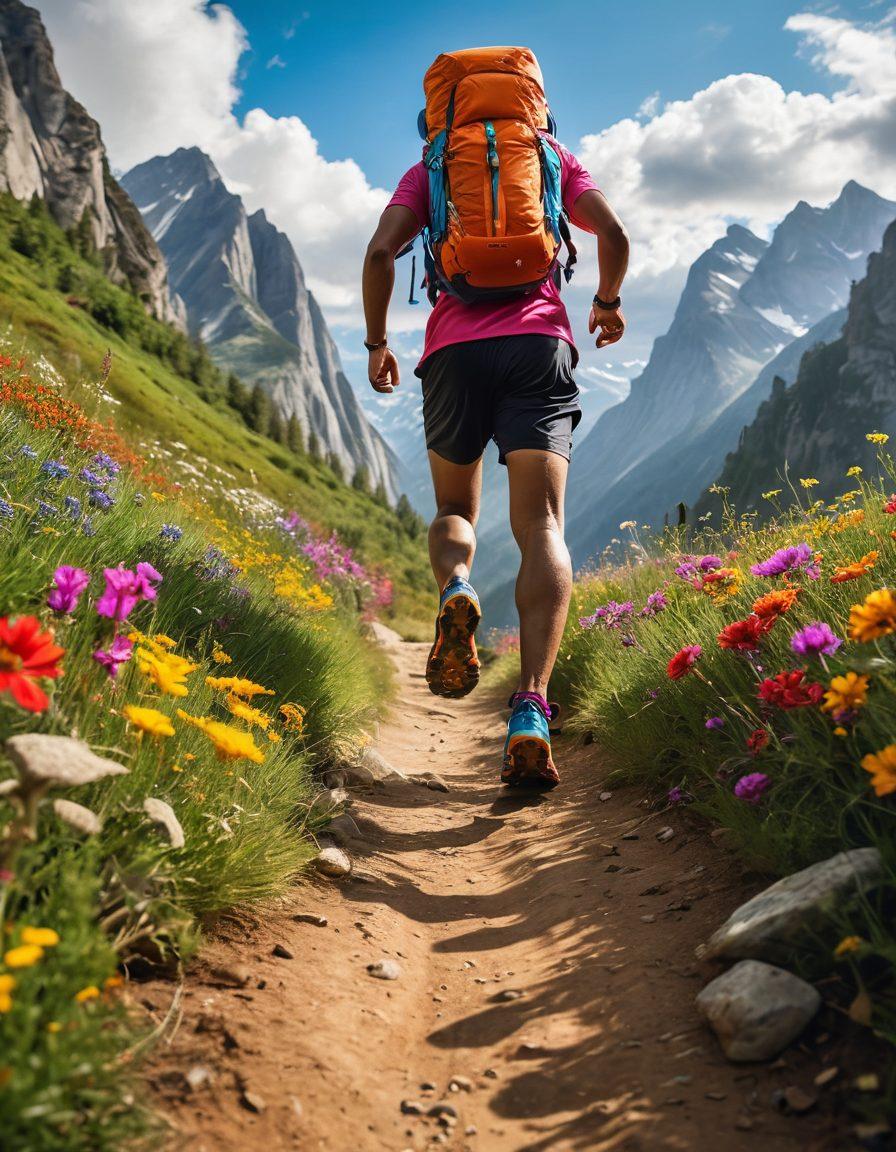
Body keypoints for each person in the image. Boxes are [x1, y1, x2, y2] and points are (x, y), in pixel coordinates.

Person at [361, 55, 629, 788]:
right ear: (534, 105)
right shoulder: (551, 159)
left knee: (455, 509)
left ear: (438, 114)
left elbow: (381, 252)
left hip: (453, 353)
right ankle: (532, 708)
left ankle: (456, 586)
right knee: (542, 525)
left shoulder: (429, 169)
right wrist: (606, 302)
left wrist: (378, 343)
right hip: (540, 349)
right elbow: (613, 233)